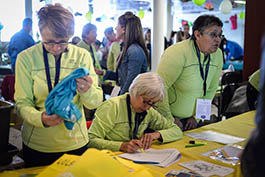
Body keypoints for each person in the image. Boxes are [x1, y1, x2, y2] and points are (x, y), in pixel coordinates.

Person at [14, 4, 103, 167]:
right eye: (49, 42)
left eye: (63, 42)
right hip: (37, 144)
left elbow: (95, 102)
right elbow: (21, 103)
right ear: (40, 33)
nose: (56, 48)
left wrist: (87, 90)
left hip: (75, 143)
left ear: (70, 36)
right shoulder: (26, 58)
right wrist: (41, 119)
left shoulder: (82, 56)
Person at [156, 15, 223, 131]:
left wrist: (197, 118)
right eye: (213, 35)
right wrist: (169, 118)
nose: (218, 39)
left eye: (220, 35)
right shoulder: (177, 52)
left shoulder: (218, 55)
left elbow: (211, 89)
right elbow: (160, 88)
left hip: (193, 121)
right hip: (169, 119)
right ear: (197, 35)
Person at [88, 72, 182, 153]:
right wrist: (121, 146)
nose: (148, 107)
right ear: (134, 91)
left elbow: (177, 130)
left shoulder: (149, 112)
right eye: (145, 101)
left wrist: (157, 135)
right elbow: (91, 140)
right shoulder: (112, 106)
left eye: (152, 104)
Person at [96, 11, 149, 95]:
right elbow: (121, 77)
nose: (116, 28)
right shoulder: (126, 48)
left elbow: (131, 82)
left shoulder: (134, 51)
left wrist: (120, 100)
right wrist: (103, 73)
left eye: (117, 25)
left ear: (124, 29)